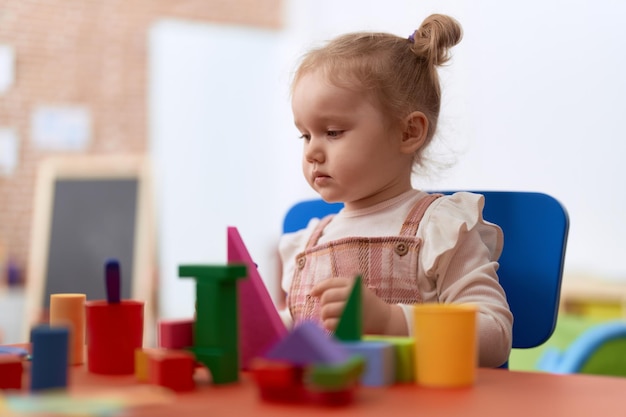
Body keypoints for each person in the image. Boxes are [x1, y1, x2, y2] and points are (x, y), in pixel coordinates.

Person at [278, 14, 512, 368]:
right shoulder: (309, 242)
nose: (311, 151)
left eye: (334, 131)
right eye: (305, 135)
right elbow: (300, 329)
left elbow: (494, 336)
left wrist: (394, 322)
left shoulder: (441, 229)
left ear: (408, 133)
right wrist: (251, 325)